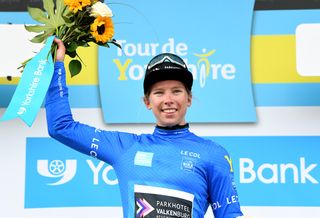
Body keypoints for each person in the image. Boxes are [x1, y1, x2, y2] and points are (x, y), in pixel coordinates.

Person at [46, 37, 243, 218]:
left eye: (176, 91)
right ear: (147, 101)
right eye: (159, 93)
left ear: (189, 98)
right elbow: (61, 127)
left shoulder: (214, 155)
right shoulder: (124, 147)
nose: (168, 100)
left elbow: (230, 215)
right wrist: (57, 65)